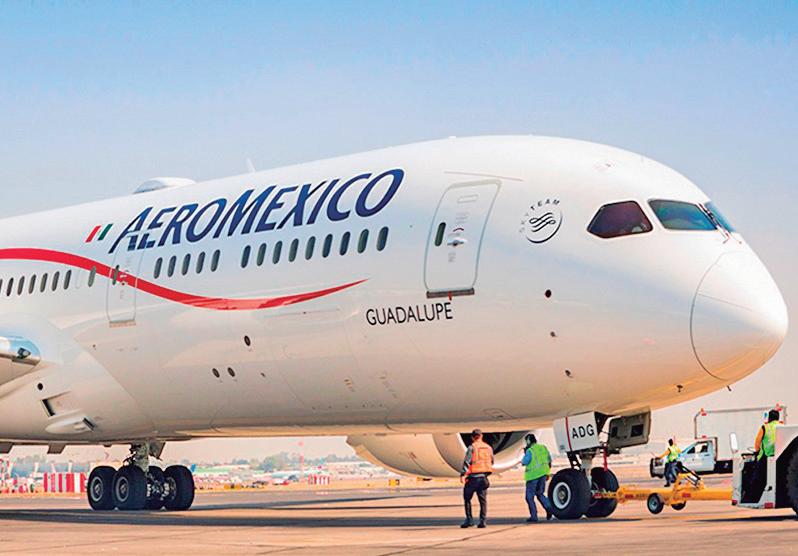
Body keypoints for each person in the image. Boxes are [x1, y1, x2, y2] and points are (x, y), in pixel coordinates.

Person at [460, 429, 494, 529]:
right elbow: (492, 461)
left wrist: (463, 474)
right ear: (481, 436)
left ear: (472, 437)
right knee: (483, 501)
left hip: (473, 478)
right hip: (484, 478)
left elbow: (467, 462)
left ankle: (469, 520)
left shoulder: (472, 447)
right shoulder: (488, 448)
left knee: (467, 499)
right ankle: (483, 521)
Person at [746, 409, 780, 503]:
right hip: (779, 456)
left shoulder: (765, 427)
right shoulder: (782, 426)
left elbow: (757, 443)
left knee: (757, 478)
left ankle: (752, 499)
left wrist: (757, 451)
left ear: (769, 418)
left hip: (766, 457)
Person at [521, 433, 553, 523]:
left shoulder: (530, 451)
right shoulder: (543, 447)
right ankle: (549, 508)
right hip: (543, 474)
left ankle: (534, 516)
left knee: (529, 497)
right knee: (540, 494)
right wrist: (547, 473)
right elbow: (549, 460)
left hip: (533, 476)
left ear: (528, 441)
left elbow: (524, 462)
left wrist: (525, 453)